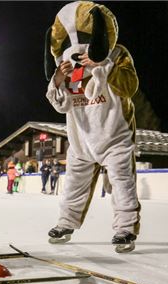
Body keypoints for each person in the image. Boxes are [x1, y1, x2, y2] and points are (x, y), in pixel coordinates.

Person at [44, 1, 140, 252]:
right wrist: (58, 79)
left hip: (114, 136)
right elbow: (61, 105)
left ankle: (125, 228)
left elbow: (129, 88)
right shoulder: (70, 69)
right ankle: (66, 223)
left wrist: (103, 66)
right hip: (80, 140)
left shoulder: (116, 55)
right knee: (73, 185)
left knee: (122, 182)